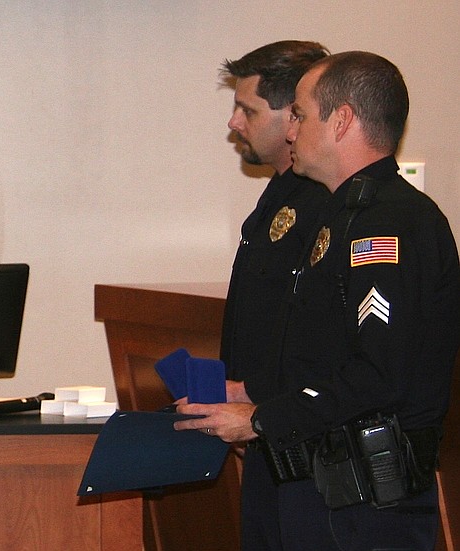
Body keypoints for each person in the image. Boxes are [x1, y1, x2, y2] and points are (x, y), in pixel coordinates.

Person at [178, 51, 460, 550]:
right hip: (320, 487)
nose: (291, 133)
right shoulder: (339, 215)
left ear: (343, 120)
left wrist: (262, 419)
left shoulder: (390, 223)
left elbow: (379, 373)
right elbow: (322, 356)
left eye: (302, 117)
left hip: (366, 505)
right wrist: (251, 391)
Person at [217, 40, 329, 550]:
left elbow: (319, 340)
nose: (235, 123)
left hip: (309, 447)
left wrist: (263, 412)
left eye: (248, 109)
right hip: (267, 433)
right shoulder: (280, 193)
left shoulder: (326, 201)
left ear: (292, 118)